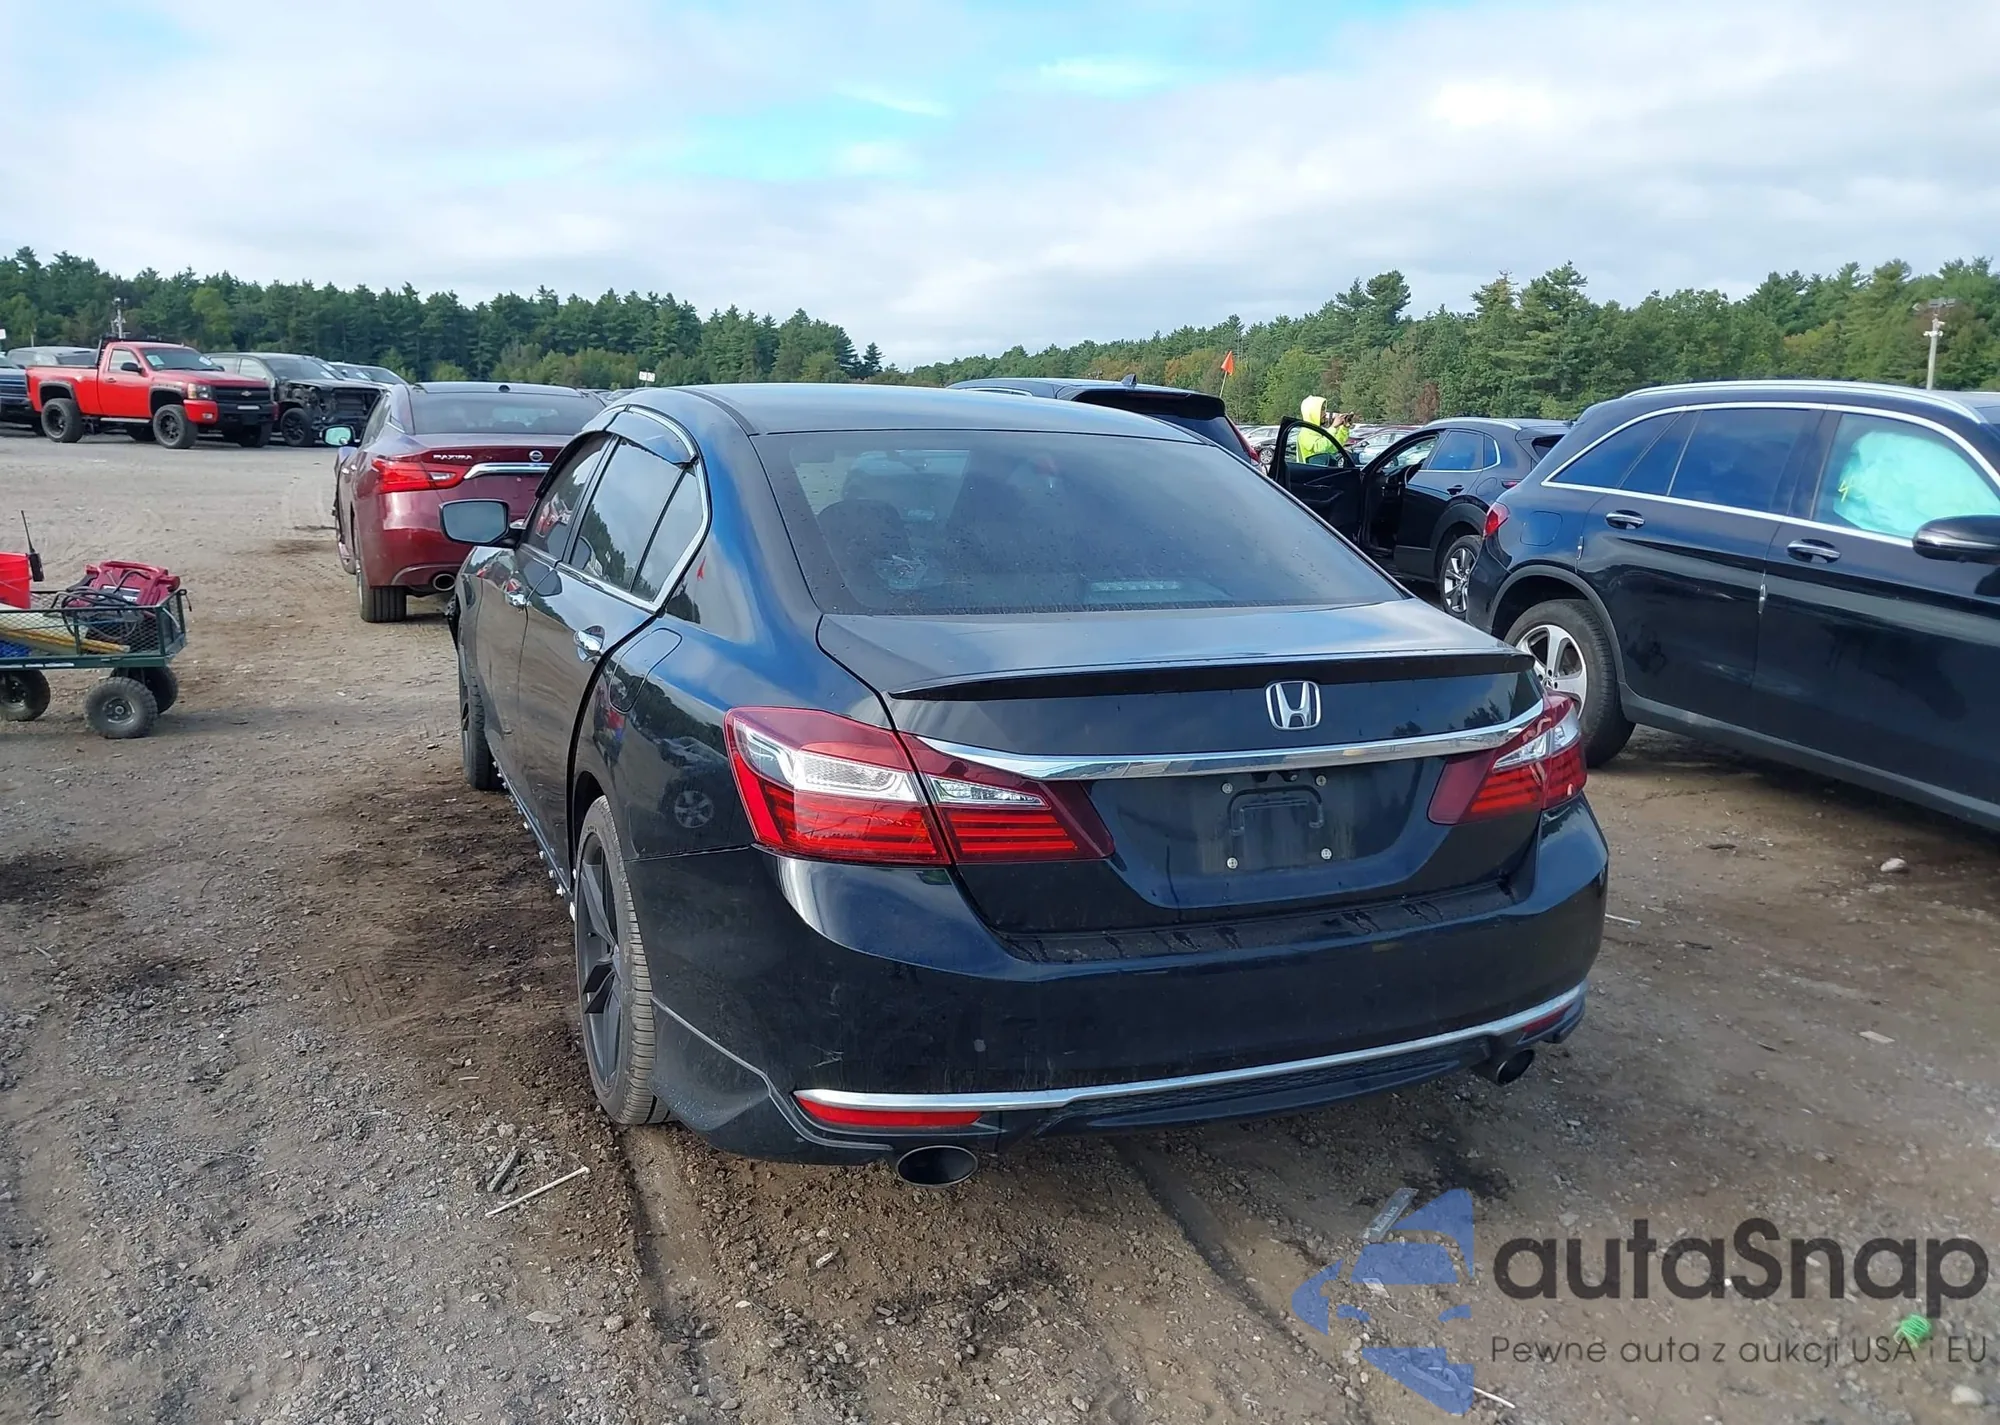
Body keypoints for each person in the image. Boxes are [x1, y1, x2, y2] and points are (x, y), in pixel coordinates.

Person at [1296, 395, 1342, 465]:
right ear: (1313, 412)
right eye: (1322, 409)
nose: (1325, 413)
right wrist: (1333, 427)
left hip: (1319, 470)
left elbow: (1333, 448)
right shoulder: (1305, 433)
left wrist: (1344, 429)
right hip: (1309, 471)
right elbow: (1320, 448)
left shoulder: (1316, 431)